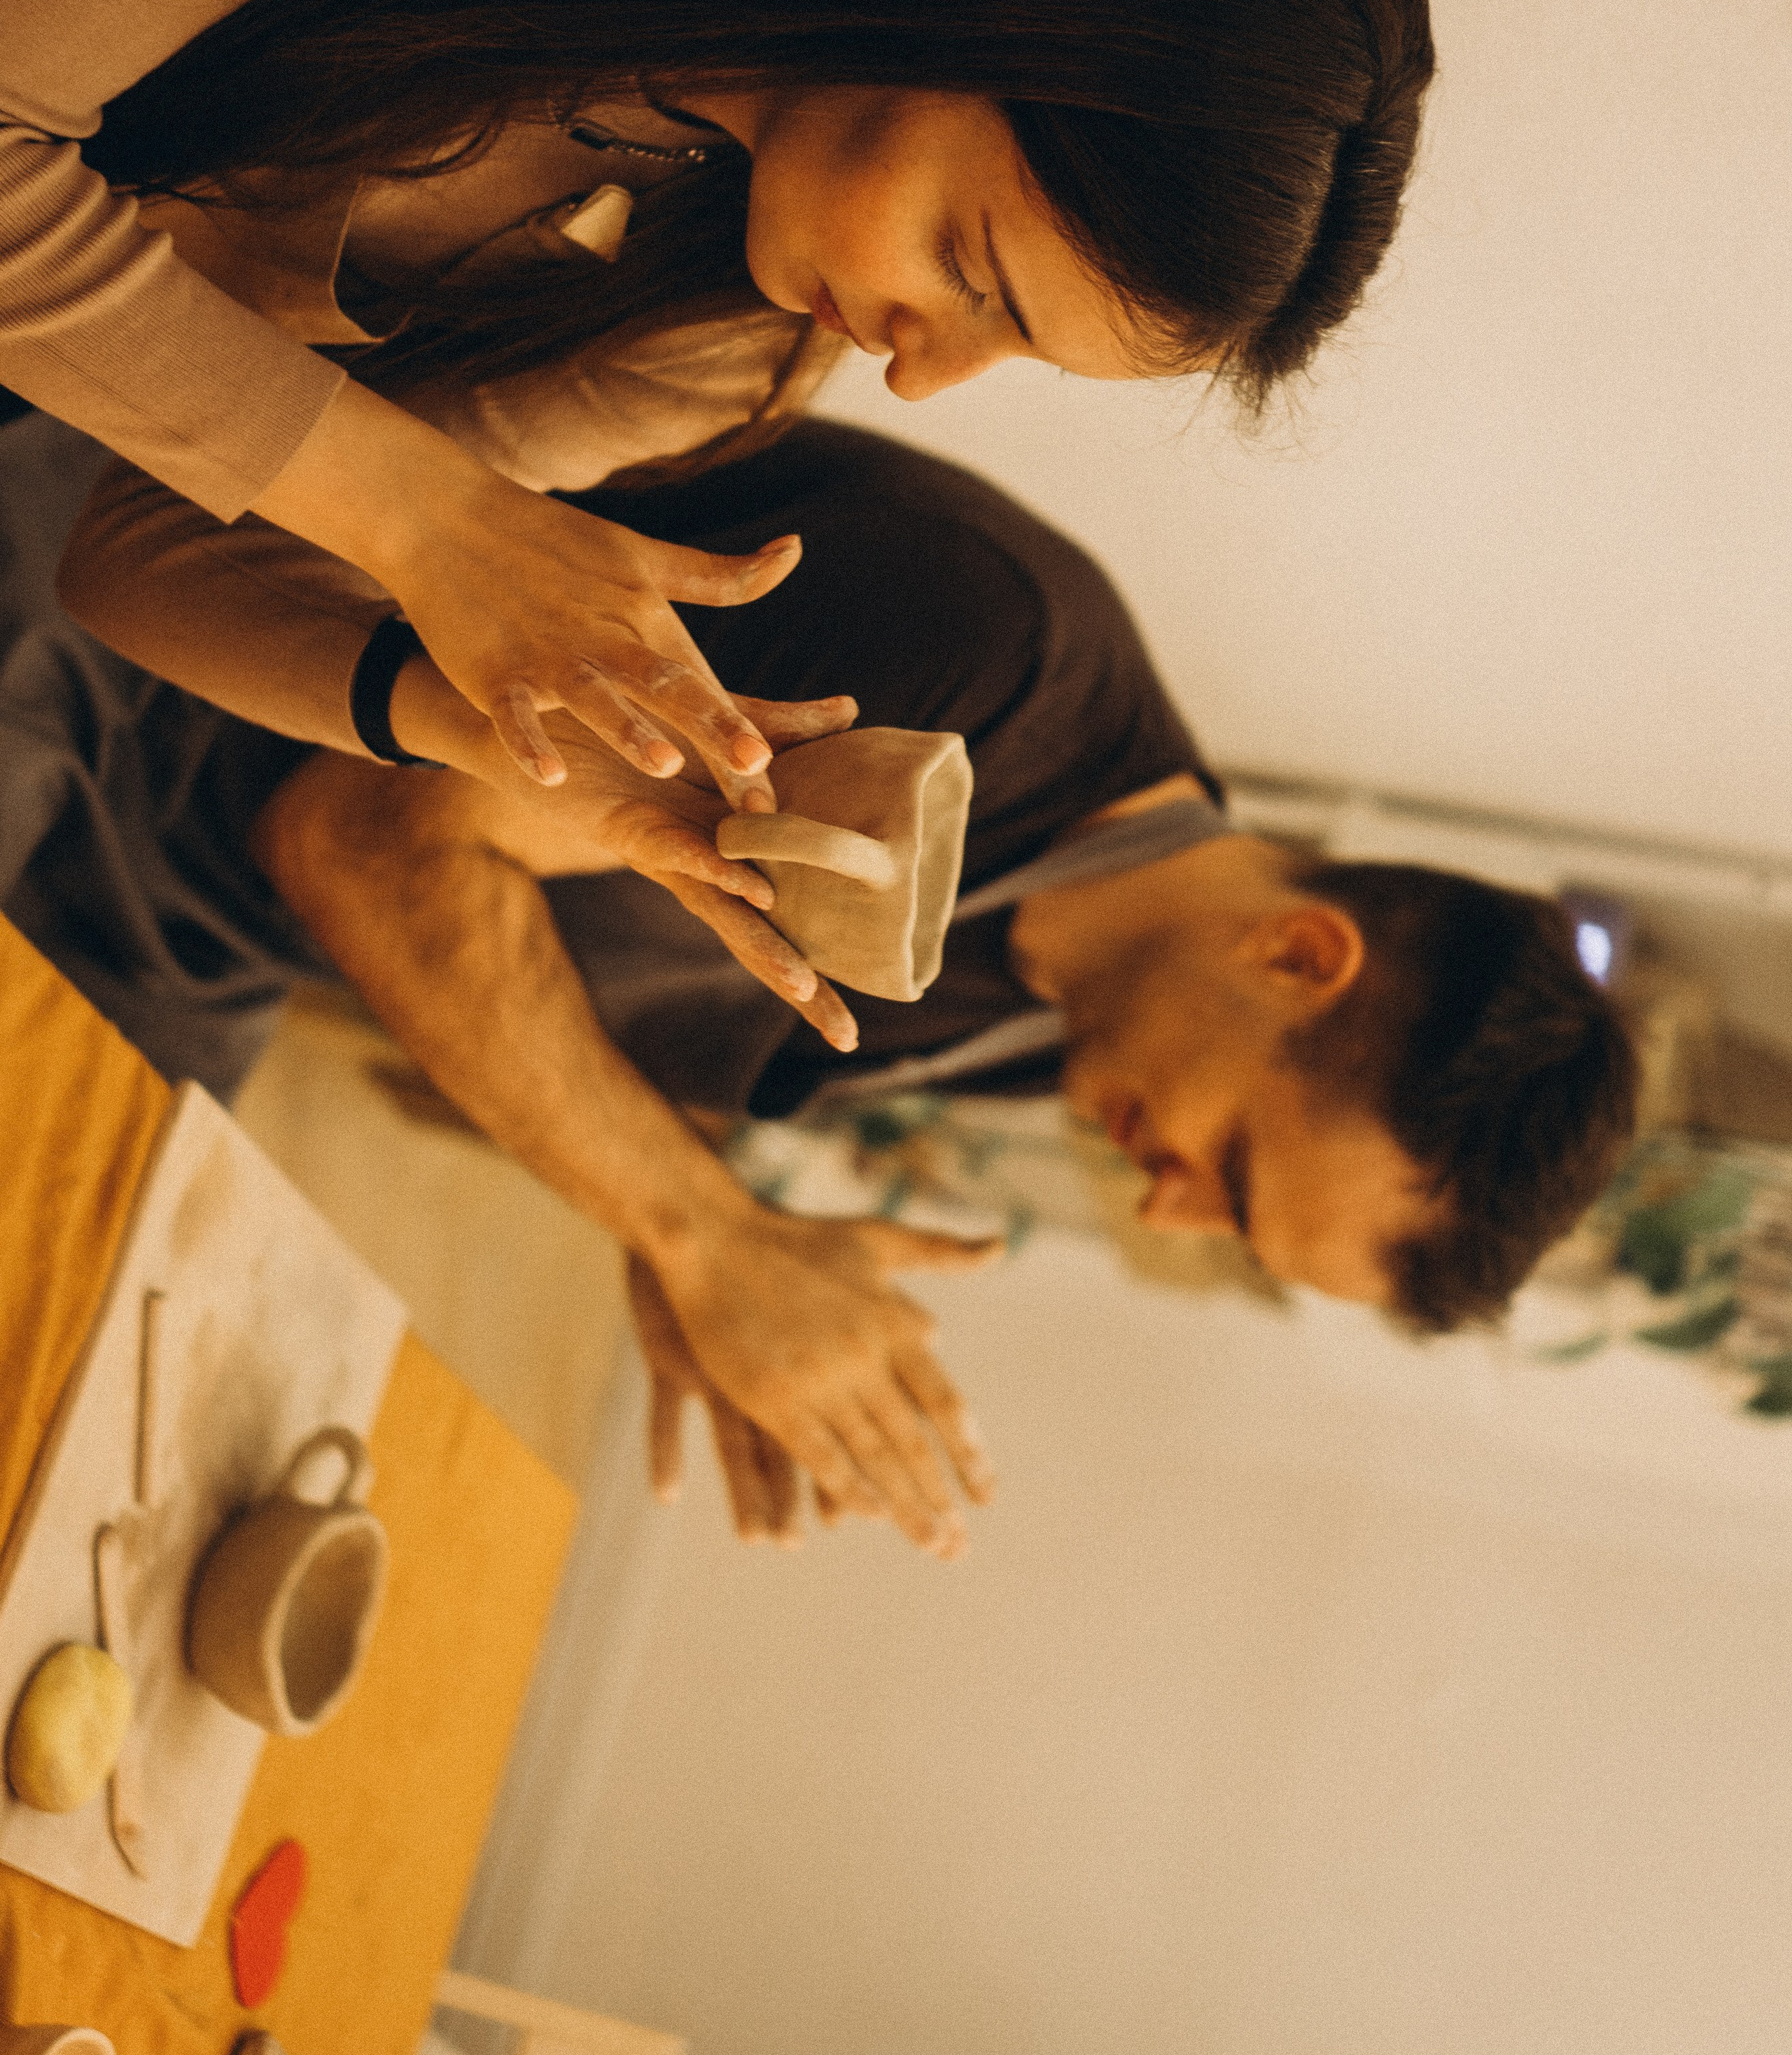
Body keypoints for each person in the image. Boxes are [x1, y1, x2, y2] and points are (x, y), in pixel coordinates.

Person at [8, 407, 1635, 1557]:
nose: (1161, 1211)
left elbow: (610, 1064)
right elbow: (367, 836)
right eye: (1230, 1172)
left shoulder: (1036, 1035)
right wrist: (698, 1231)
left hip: (192, 918)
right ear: (1296, 957)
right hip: (123, 638)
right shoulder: (981, 660)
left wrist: (721, 1257)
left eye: (1221, 1232)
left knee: (73, 1366)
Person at [0, 0, 1435, 806]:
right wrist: (421, 517)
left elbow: (145, 545)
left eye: (1009, 354)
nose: (915, 373)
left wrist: (501, 736)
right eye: (974, 275)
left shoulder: (721, 341)